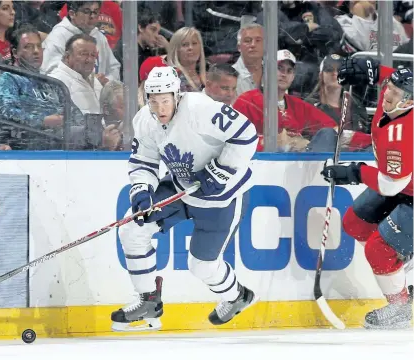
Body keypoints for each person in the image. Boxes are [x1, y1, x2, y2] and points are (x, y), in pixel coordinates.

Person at [112, 66, 258, 332]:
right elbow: (144, 160)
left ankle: (237, 296)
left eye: (165, 100)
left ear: (177, 95)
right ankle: (148, 300)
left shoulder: (201, 109)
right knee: (133, 228)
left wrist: (220, 170)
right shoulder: (145, 120)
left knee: (202, 266)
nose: (159, 107)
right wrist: (143, 190)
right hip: (181, 187)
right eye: (153, 100)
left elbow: (246, 134)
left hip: (222, 197)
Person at [321, 57, 413, 329]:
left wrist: (354, 172)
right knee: (355, 222)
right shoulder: (399, 95)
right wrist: (370, 70)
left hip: (400, 184)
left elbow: (389, 185)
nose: (387, 94)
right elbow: (393, 77)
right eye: (389, 89)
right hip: (404, 184)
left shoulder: (402, 133)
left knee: (378, 248)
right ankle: (402, 264)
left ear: (408, 102)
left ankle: (399, 308)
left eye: (394, 93)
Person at [41, 1, 120, 84]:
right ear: (72, 14)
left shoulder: (99, 36)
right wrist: (89, 81)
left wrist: (107, 81)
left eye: (96, 12)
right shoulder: (58, 36)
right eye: (86, 11)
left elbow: (113, 67)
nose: (92, 16)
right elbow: (51, 72)